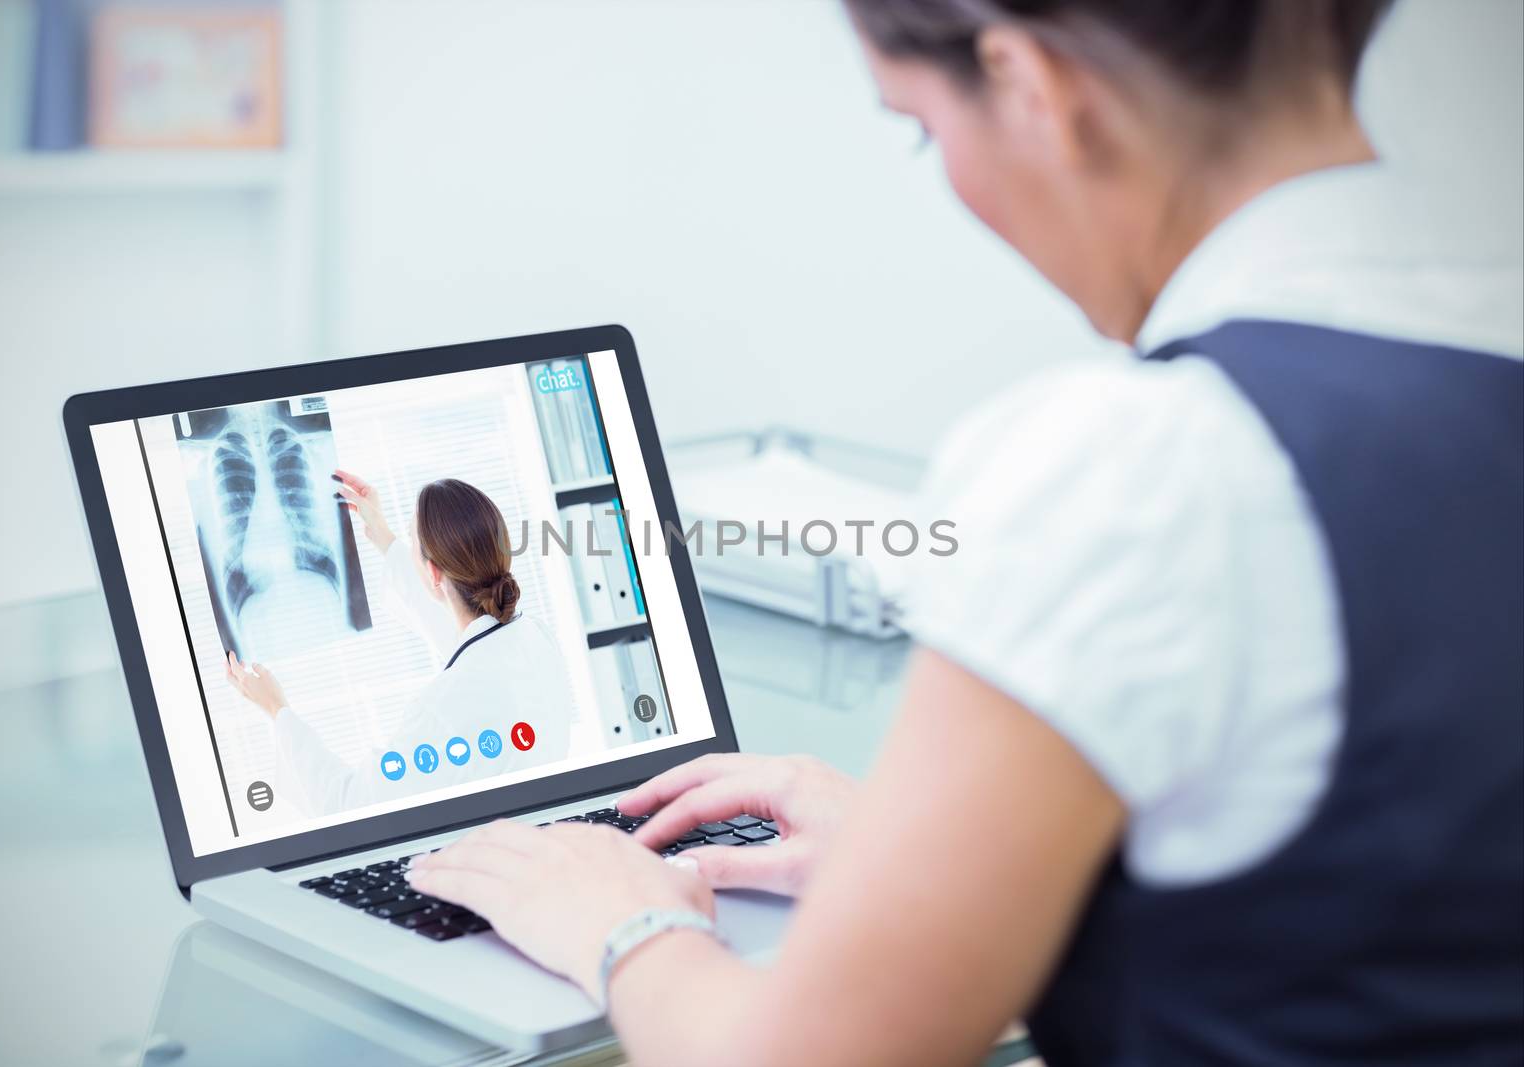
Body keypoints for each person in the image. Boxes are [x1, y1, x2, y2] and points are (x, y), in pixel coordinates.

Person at [402, 1, 1524, 1063]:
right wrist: (921, 855)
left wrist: (624, 922)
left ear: (1025, 81)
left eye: (920, 129)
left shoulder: (1147, 465)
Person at [226, 473, 571, 815]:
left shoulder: (441, 709)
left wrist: (278, 711)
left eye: (412, 542)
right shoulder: (534, 636)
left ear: (433, 573)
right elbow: (458, 625)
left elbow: (351, 805)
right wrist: (384, 536)